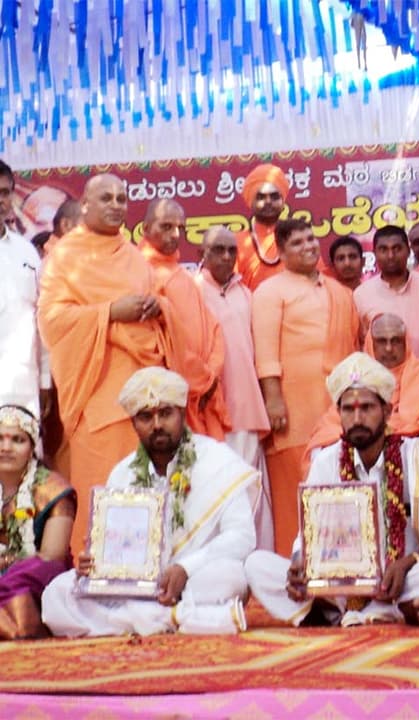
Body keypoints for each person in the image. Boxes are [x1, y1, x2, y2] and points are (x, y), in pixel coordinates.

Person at [246, 353, 419, 627]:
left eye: (366, 407)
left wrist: (408, 562)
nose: (357, 418)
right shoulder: (326, 462)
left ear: (387, 411)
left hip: (403, 580)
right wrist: (298, 562)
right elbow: (307, 539)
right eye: (348, 410)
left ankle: (357, 612)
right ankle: (369, 611)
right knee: (256, 565)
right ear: (338, 414)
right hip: (340, 587)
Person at [42, 368, 258, 636]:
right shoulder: (123, 474)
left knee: (231, 577)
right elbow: (113, 547)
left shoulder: (218, 461)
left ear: (182, 413)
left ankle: (140, 620)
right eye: (146, 416)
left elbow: (242, 537)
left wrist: (185, 568)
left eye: (165, 413)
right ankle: (180, 618)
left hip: (196, 578)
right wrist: (95, 562)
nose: (157, 424)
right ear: (133, 423)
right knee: (56, 594)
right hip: (136, 588)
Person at [38, 173, 172, 554]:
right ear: (85, 205)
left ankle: (145, 565)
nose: (116, 205)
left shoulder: (134, 256)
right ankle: (96, 564)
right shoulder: (65, 256)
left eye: (122, 198)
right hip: (96, 393)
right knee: (102, 485)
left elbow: (159, 305)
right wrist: (111, 311)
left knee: (144, 484)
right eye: (106, 198)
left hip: (142, 396)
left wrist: (157, 306)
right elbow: (52, 320)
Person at [252, 217, 361, 556]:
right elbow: (265, 352)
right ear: (281, 252)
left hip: (337, 412)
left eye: (311, 239)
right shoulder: (270, 291)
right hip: (294, 414)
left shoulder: (339, 292)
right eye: (297, 243)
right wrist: (273, 400)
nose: (308, 246)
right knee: (294, 496)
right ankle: (294, 566)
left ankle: (342, 566)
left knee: (340, 489)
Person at [194, 226, 274, 549]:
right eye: (218, 250)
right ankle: (221, 559)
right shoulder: (193, 290)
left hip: (248, 408)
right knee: (218, 490)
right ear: (202, 254)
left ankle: (257, 558)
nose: (226, 256)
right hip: (211, 410)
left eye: (231, 250)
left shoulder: (246, 294)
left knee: (251, 486)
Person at [307, 313, 419, 460]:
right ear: (371, 344)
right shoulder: (357, 381)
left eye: (396, 341)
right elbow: (328, 428)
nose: (389, 348)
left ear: (406, 342)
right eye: (381, 341)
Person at [139, 199, 229, 440]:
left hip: (203, 390)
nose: (175, 235)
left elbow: (213, 329)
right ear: (145, 229)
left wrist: (210, 375)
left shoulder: (183, 275)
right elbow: (154, 343)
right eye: (166, 227)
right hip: (171, 394)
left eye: (180, 228)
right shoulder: (140, 273)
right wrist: (199, 377)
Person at [0, 406, 74, 639]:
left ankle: (21, 629)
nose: (6, 447)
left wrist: (9, 564)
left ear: (32, 448)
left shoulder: (54, 489)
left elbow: (53, 555)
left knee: (16, 580)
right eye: (0, 439)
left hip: (38, 573)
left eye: (18, 440)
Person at [0, 160, 50, 419]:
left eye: (5, 192)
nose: (0, 200)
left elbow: (41, 318)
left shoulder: (27, 252)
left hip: (22, 386)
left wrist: (45, 380)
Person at [354, 225, 419, 359]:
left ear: (408, 251)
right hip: (381, 372)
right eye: (383, 250)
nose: (391, 256)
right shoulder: (361, 295)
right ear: (374, 253)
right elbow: (360, 342)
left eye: (397, 248)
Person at [236, 163, 291, 291]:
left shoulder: (298, 238)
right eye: (261, 197)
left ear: (283, 202)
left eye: (274, 196)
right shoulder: (237, 243)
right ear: (251, 202)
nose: (268, 202)